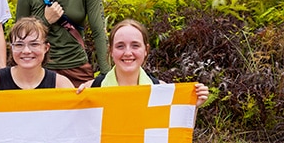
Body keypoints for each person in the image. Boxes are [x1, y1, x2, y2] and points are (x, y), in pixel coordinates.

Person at [77, 18, 209, 107]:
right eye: (120, 46)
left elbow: (175, 135)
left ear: (146, 50)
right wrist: (77, 103)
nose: (128, 52)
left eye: (135, 45)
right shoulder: (91, 89)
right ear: (111, 50)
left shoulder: (161, 90)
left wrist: (193, 105)